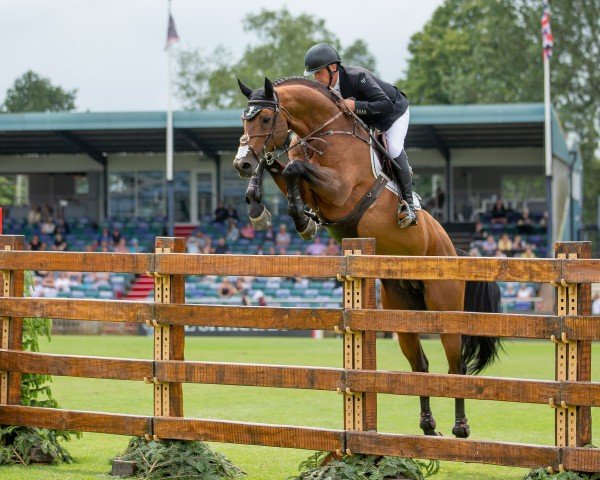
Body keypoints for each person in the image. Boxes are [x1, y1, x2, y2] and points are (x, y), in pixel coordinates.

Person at [303, 43, 416, 228]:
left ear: (332, 68)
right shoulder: (325, 90)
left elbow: (385, 105)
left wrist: (356, 106)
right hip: (368, 119)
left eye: (318, 73)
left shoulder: (358, 77)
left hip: (394, 112)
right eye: (314, 74)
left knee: (394, 148)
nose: (316, 78)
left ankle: (408, 204)